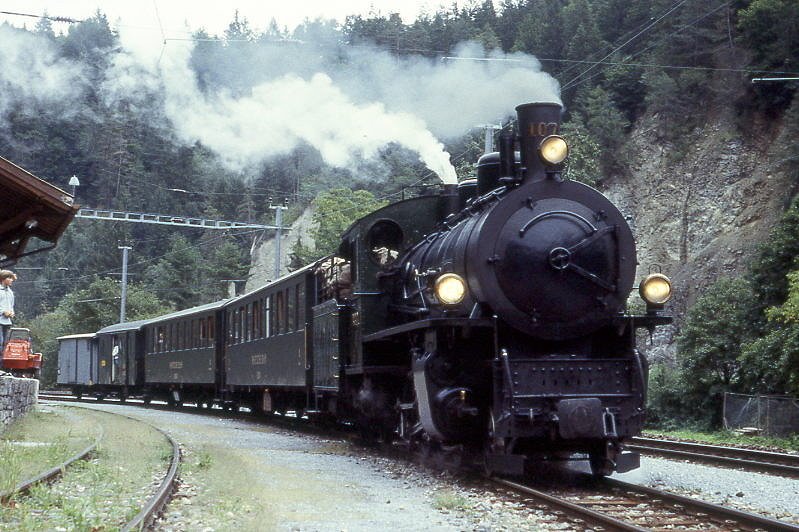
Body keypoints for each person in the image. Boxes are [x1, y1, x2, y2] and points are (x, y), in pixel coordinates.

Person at [0, 270, 17, 350]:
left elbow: (11, 305)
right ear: (3, 279)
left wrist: (12, 313)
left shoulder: (10, 292)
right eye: (9, 278)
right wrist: (3, 312)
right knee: (0, 341)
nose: (11, 280)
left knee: (5, 343)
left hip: (7, 321)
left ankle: (3, 361)